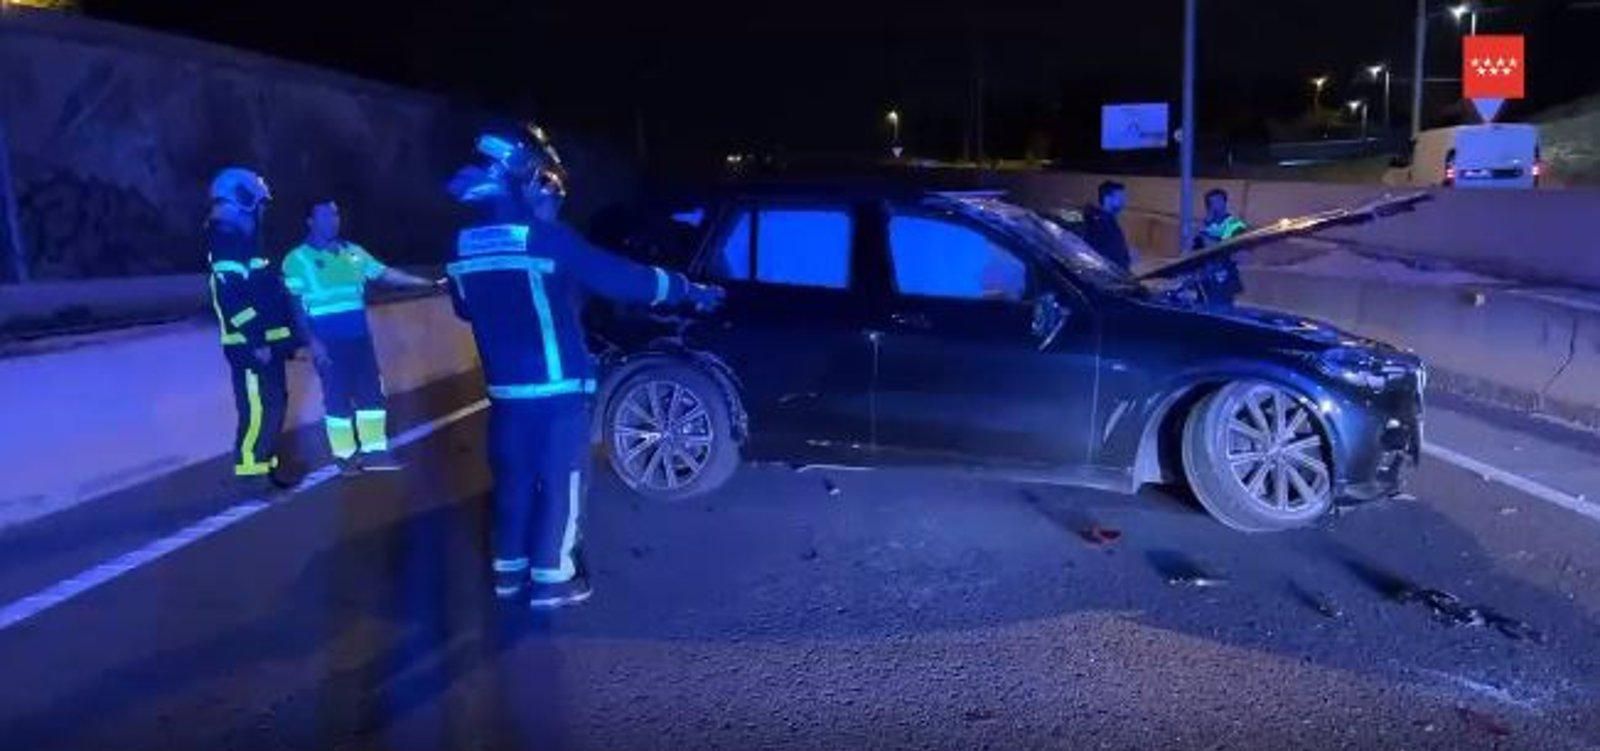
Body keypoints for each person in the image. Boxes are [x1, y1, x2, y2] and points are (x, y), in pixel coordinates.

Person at [444, 126, 724, 609]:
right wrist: (686, 289)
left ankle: (508, 574)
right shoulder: (547, 239)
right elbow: (620, 278)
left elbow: (466, 310)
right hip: (556, 392)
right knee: (561, 481)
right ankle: (554, 578)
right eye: (541, 177)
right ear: (524, 175)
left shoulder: (463, 246)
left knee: (512, 484)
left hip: (506, 395)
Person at [281, 200, 438, 474]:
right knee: (337, 397)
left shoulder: (353, 253)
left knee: (371, 395)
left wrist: (427, 283)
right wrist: (313, 343)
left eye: (335, 214)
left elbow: (386, 274)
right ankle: (345, 457)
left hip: (359, 339)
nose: (332, 220)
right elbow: (295, 306)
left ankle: (375, 453)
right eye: (325, 215)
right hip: (327, 340)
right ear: (309, 221)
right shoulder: (297, 259)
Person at [205, 168, 300, 491]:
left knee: (273, 404)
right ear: (243, 202)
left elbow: (269, 296)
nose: (262, 211)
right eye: (258, 204)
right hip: (248, 347)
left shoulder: (246, 245)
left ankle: (266, 465)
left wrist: (288, 338)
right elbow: (232, 300)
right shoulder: (227, 244)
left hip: (264, 346)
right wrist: (257, 339)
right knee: (258, 409)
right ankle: (251, 473)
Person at [1190, 188, 1248, 306]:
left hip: (1224, 276)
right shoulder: (1206, 225)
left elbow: (1231, 251)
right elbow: (1195, 251)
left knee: (1221, 307)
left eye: (1218, 202)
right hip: (1204, 277)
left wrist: (1205, 234)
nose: (1215, 206)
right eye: (1211, 203)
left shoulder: (1235, 225)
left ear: (1225, 203)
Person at [1079, 180, 1136, 272]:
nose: (1125, 201)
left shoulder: (1104, 219)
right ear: (1108, 198)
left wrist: (1126, 254)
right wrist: (1127, 258)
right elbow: (1107, 257)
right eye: (1120, 197)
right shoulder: (1099, 223)